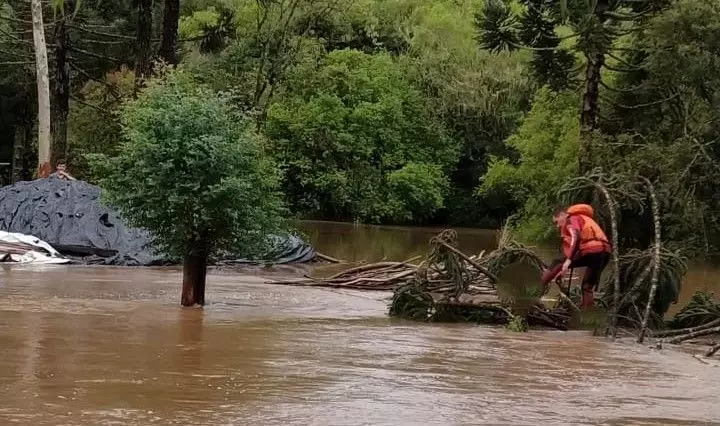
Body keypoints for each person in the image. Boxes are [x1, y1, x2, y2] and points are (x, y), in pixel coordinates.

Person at [541, 204, 611, 309]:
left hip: (591, 250)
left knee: (557, 262)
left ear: (562, 216)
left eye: (556, 222)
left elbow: (576, 237)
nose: (557, 226)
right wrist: (564, 267)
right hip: (605, 252)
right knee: (587, 287)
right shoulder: (584, 219)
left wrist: (568, 261)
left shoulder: (571, 219)